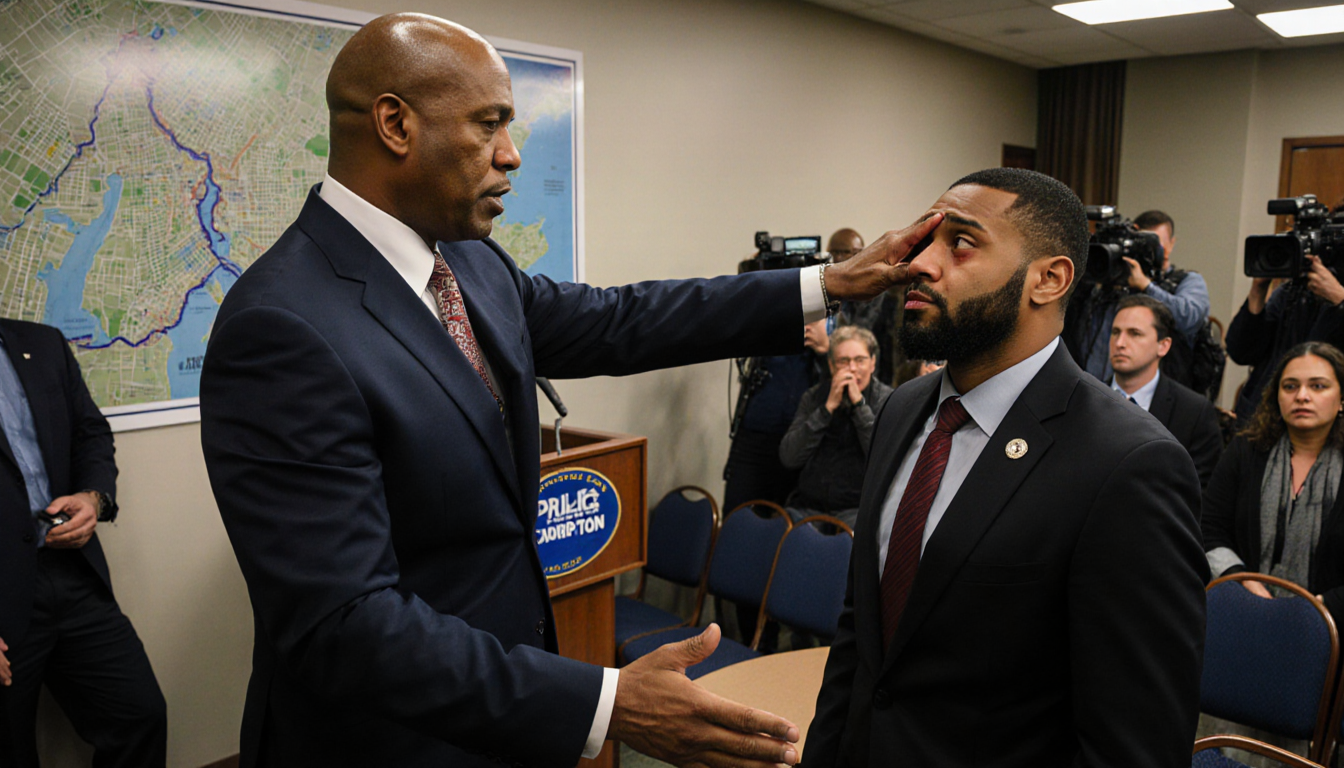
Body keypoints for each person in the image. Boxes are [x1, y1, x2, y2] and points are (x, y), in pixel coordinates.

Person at [197, 13, 942, 768]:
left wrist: (826, 285)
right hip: (384, 743)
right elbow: (344, 624)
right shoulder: (283, 326)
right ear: (395, 123)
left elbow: (624, 320)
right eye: (489, 124)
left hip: (500, 724)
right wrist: (608, 703)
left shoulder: (470, 265)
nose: (511, 155)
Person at [806, 168, 1207, 768]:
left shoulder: (1128, 465)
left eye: (960, 244)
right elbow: (861, 640)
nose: (919, 263)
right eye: (924, 242)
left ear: (1048, 279)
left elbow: (1134, 744)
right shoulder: (903, 410)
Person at [0, 319, 166, 767]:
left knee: (140, 716)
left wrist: (93, 497)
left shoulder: (42, 343)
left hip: (73, 574)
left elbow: (89, 433)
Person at [1203, 341, 1344, 624]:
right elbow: (1209, 528)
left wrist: (1325, 606)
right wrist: (1241, 580)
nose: (1302, 396)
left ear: (1342, 399)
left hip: (1332, 627)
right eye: (1290, 386)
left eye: (1318, 386)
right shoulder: (1245, 451)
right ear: (1276, 396)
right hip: (1242, 610)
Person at [1067, 209, 1211, 386]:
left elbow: (1189, 318)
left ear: (1171, 244)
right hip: (1095, 388)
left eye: (1159, 245)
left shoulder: (1187, 281)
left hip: (1157, 396)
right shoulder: (1109, 286)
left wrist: (1146, 286)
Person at [778, 326, 894, 528]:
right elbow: (789, 457)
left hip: (856, 511)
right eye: (843, 361)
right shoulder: (814, 397)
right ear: (831, 366)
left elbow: (884, 458)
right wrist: (827, 409)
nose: (852, 368)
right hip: (808, 507)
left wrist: (859, 407)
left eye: (860, 360)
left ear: (872, 363)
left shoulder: (888, 399)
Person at [1226, 231, 1344, 423]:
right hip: (1265, 417)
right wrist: (1258, 289)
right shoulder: (1291, 292)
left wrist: (1340, 299)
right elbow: (1241, 352)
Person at [1110, 294, 1223, 487]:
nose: (1120, 343)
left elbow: (1201, 492)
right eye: (1115, 332)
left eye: (1134, 333)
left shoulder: (1194, 413)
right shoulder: (1083, 399)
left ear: (1163, 346)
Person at [723, 317, 829, 514]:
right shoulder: (775, 309)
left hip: (802, 444)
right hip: (754, 435)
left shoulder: (837, 315)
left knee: (786, 524)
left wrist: (826, 349)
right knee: (736, 516)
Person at [832, 229, 904, 385]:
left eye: (845, 252)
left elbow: (893, 353)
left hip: (880, 385)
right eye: (834, 253)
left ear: (860, 254)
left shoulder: (883, 295)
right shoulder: (830, 296)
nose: (838, 259)